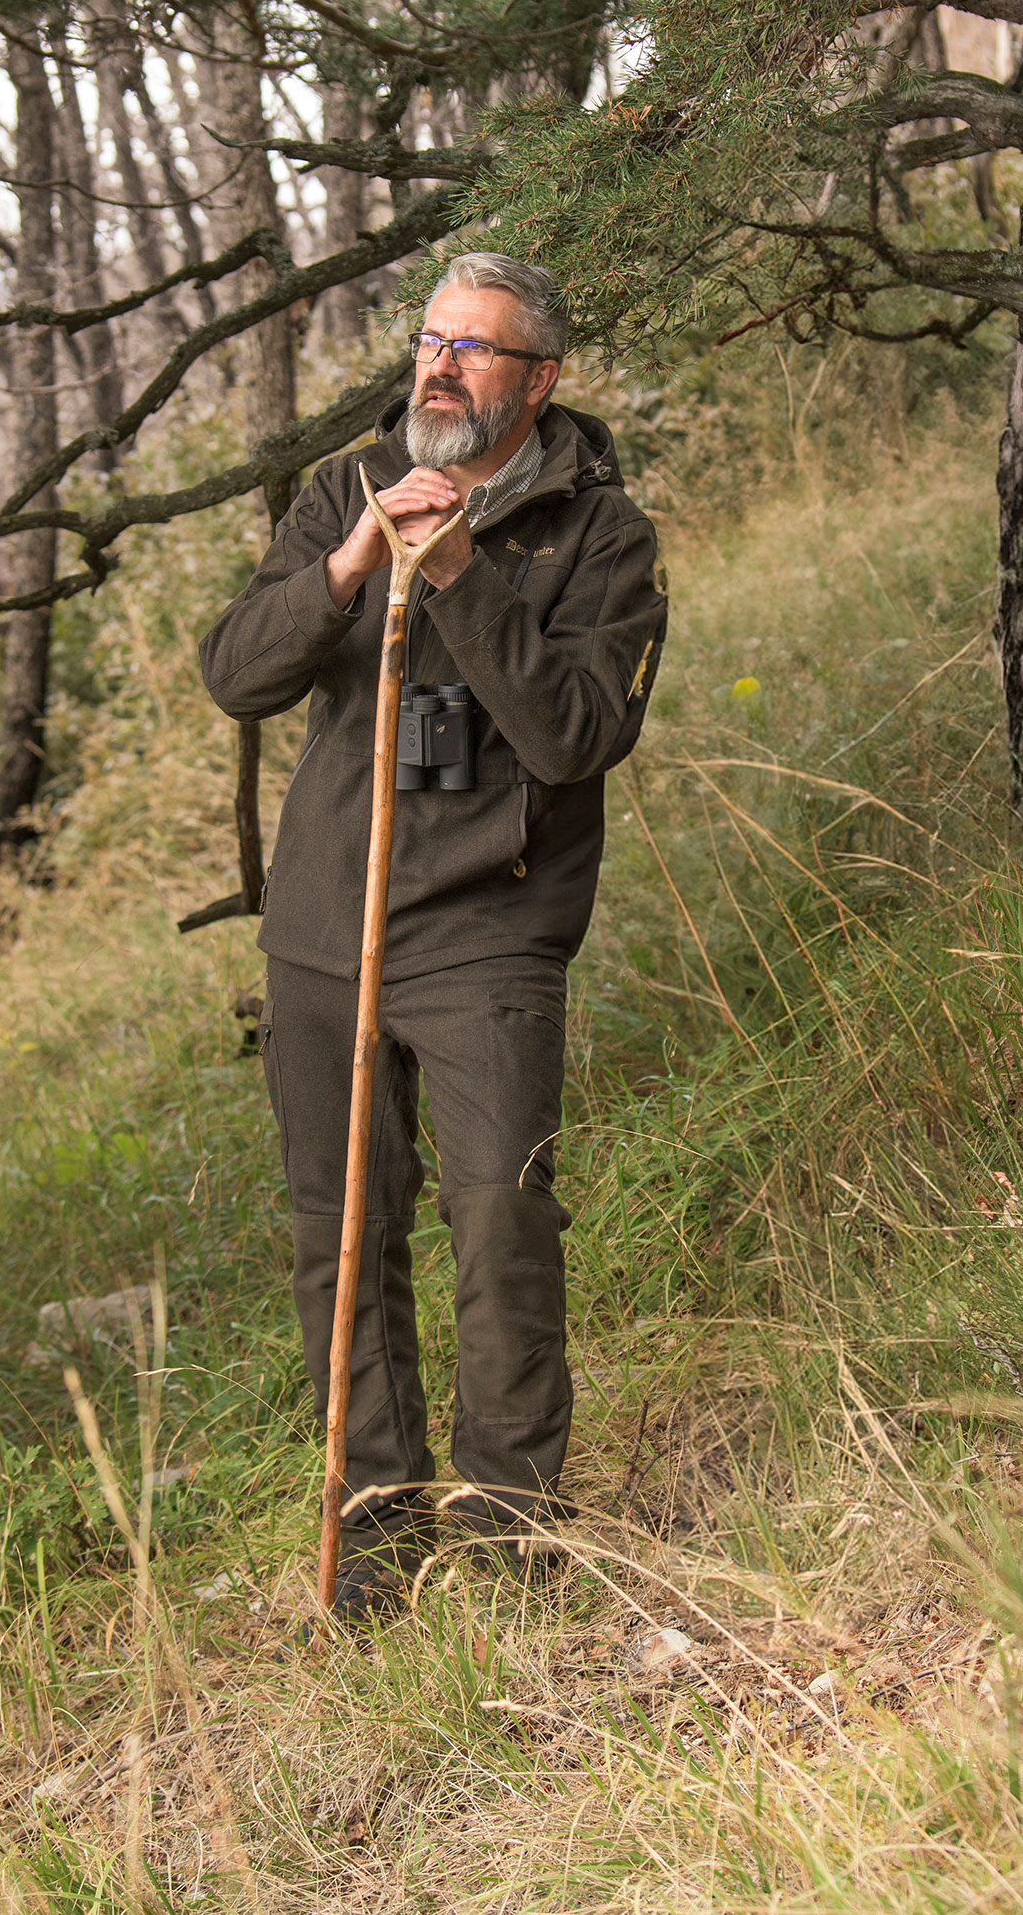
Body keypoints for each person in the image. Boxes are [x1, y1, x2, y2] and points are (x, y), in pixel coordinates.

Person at [198, 251, 666, 1622]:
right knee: (340, 1231)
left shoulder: (600, 534)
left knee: (500, 1219)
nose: (440, 367)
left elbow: (577, 734)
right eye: (430, 341)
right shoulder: (346, 487)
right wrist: (351, 562)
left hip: (487, 929)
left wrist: (461, 572)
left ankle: (511, 1536)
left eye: (475, 348)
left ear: (539, 379)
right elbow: (235, 673)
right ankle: (377, 1536)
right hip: (324, 931)